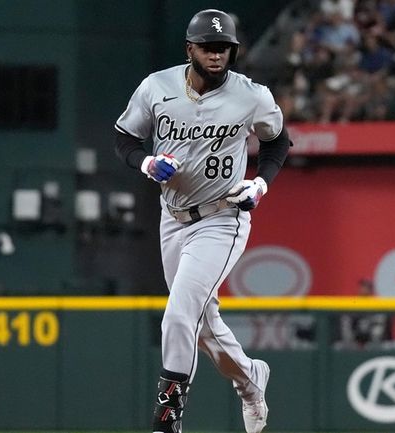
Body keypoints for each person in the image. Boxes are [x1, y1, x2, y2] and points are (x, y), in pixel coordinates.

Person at [113, 9, 291, 433]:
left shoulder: (251, 95)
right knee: (204, 328)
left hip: (221, 217)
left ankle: (166, 422)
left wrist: (260, 185)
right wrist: (147, 163)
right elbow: (125, 137)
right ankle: (250, 380)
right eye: (209, 47)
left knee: (178, 315)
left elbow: (277, 141)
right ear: (189, 48)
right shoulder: (157, 86)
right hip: (172, 217)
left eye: (224, 48)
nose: (217, 55)